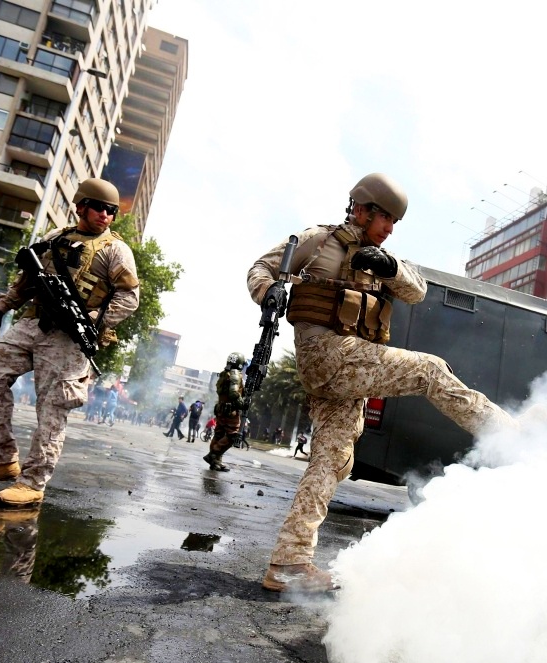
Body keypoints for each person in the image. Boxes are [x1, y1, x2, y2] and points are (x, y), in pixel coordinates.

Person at [247, 172, 514, 593]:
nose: (390, 229)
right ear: (363, 208)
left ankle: (289, 563)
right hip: (327, 355)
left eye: (394, 223)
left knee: (332, 460)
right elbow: (262, 267)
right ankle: (507, 433)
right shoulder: (318, 240)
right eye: (385, 218)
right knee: (429, 370)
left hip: (344, 369)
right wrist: (268, 292)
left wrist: (389, 267)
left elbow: (417, 291)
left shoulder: (379, 259)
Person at [0, 178, 140, 506]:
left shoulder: (115, 250)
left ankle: (33, 482)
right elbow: (27, 280)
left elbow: (129, 298)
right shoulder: (55, 238)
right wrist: (0, 309)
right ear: (80, 205)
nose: (106, 215)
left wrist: (95, 320)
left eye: (112, 210)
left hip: (69, 337)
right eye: (99, 207)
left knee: (53, 406)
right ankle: (0, 460)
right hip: (33, 323)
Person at [203, 353, 246, 471]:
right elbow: (233, 393)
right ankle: (213, 455)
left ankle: (215, 462)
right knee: (232, 436)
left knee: (219, 434)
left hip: (221, 409)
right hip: (230, 411)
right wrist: (242, 403)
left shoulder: (224, 374)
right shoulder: (235, 375)